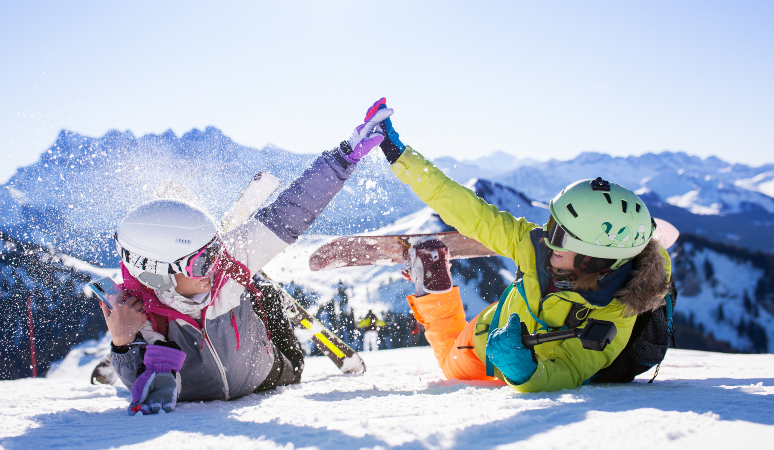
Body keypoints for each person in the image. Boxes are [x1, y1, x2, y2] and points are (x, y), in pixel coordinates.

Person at [100, 100, 392, 414]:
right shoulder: (137, 317)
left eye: (213, 250)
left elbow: (289, 213)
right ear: (159, 276)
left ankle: (258, 289)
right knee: (257, 289)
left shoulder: (226, 262)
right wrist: (122, 342)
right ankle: (260, 289)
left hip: (271, 374)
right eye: (201, 261)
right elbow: (137, 386)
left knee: (248, 283)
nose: (214, 265)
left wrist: (345, 156)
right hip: (209, 389)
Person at [373, 99, 672, 392]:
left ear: (593, 260)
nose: (547, 238)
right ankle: (433, 290)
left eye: (559, 235)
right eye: (552, 225)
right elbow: (470, 212)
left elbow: (570, 368)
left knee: (451, 358)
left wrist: (526, 372)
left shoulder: (617, 309)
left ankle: (433, 288)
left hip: (514, 350)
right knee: (449, 364)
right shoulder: (537, 245)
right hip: (488, 337)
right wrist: (400, 157)